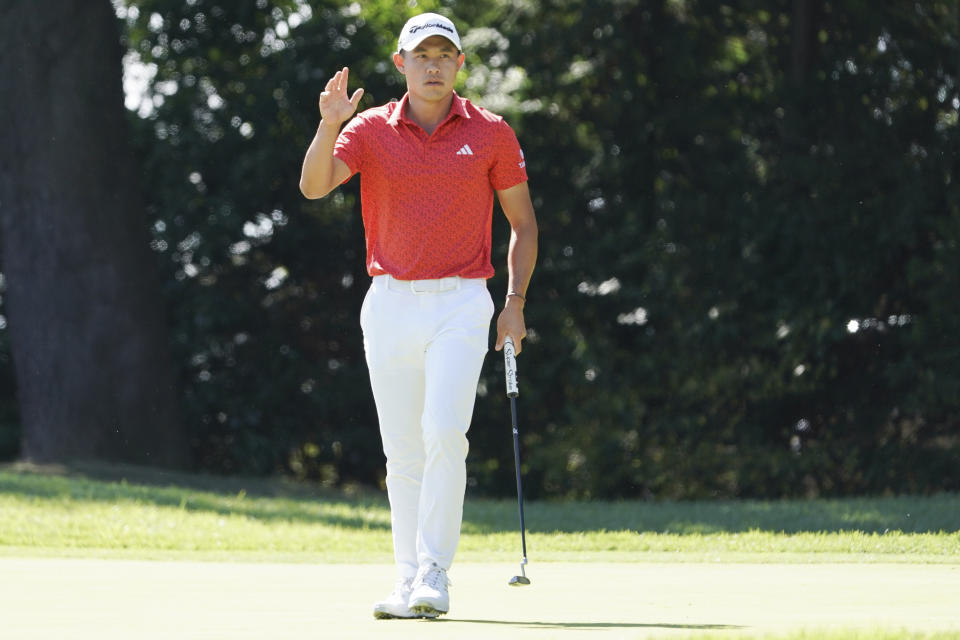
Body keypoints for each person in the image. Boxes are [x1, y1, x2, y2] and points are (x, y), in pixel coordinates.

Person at [299, 12, 538, 619]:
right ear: (401, 65)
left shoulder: (490, 133)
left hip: (461, 301)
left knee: (444, 433)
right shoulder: (370, 129)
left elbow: (523, 225)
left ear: (459, 63)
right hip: (390, 304)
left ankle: (435, 570)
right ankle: (407, 579)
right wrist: (329, 127)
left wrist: (514, 304)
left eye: (444, 54)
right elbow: (314, 185)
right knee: (401, 449)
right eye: (421, 55)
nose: (433, 65)